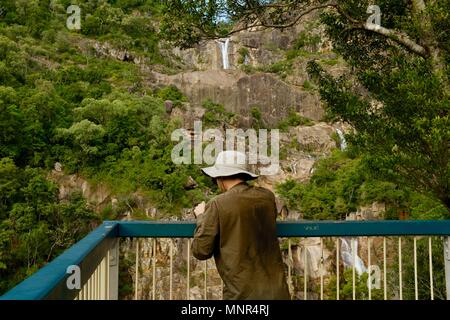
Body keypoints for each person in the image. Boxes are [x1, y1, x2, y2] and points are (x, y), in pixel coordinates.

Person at [191, 150, 290, 300]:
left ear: (221, 177)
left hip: (242, 295)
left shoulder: (218, 204)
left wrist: (201, 218)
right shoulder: (266, 197)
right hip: (278, 291)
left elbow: (201, 251)